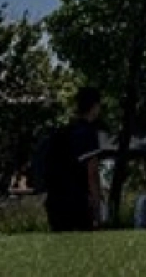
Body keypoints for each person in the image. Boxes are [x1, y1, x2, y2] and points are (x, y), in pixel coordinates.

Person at [43, 87, 104, 232]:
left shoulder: (64, 131)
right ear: (94, 107)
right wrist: (97, 202)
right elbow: (92, 173)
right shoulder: (88, 133)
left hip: (55, 200)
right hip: (77, 202)